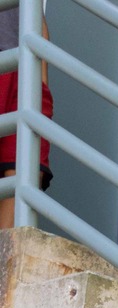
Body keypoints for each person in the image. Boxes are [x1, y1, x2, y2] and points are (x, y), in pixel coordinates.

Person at [0, 9, 53, 227]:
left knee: (25, 170)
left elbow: (37, 22)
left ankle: (5, 258)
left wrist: (41, 88)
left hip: (24, 69)